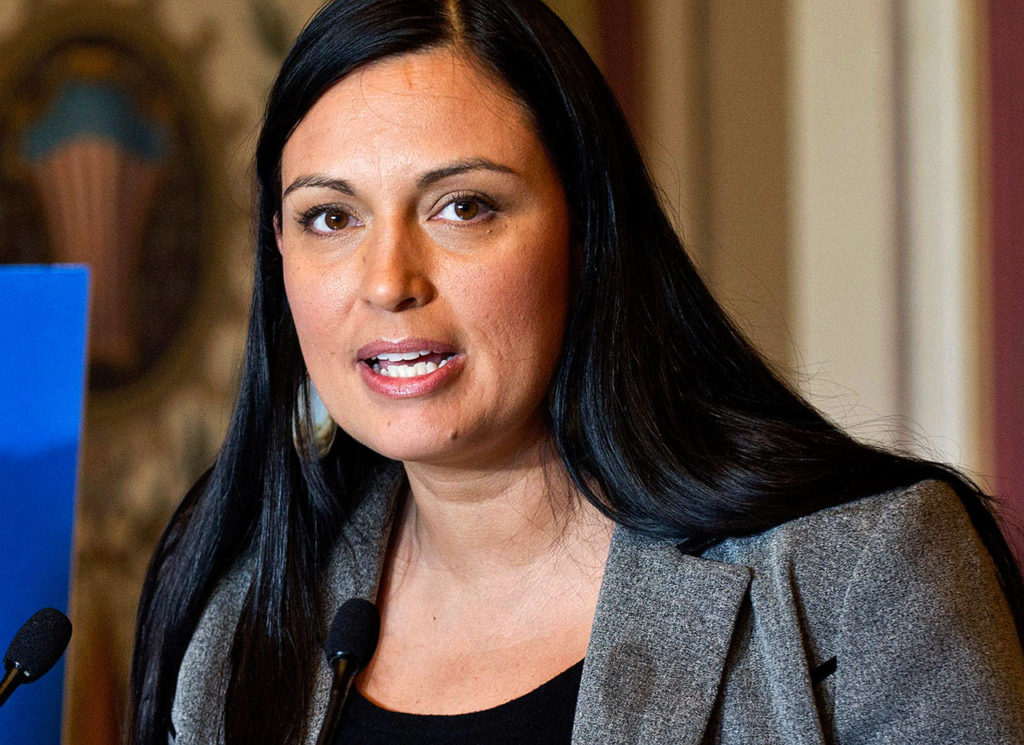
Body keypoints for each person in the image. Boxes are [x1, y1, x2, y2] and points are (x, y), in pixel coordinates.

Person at [128, 1, 1024, 743]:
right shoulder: (236, 615)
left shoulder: (863, 574)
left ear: (586, 231)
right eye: (330, 217)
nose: (388, 281)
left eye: (462, 206)